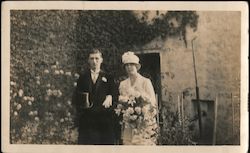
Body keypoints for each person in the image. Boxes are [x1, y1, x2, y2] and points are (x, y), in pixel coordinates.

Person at [73, 49, 116, 145]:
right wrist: (82, 105)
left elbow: (115, 94)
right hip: (87, 122)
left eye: (97, 58)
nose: (94, 61)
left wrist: (110, 96)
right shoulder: (82, 77)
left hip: (104, 122)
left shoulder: (109, 77)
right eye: (92, 58)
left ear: (101, 60)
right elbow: (76, 98)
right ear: (88, 60)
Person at [118, 51, 159, 145]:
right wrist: (127, 111)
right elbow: (121, 103)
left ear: (137, 66)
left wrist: (142, 110)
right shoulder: (123, 84)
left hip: (144, 122)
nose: (129, 67)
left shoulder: (145, 82)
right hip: (129, 123)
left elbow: (153, 102)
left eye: (132, 64)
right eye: (126, 65)